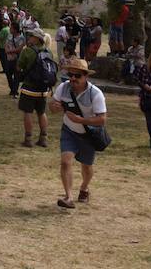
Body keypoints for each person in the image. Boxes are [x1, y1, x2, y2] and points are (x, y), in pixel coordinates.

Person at [49, 58, 107, 208]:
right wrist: (55, 106)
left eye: (78, 76)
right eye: (71, 75)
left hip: (88, 135)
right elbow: (52, 108)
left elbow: (102, 119)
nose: (73, 79)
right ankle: (68, 197)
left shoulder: (95, 94)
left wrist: (81, 120)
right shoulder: (63, 88)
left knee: (86, 167)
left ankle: (84, 188)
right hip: (69, 131)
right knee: (65, 161)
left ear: (86, 76)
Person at [17, 28, 52, 148]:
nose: (29, 37)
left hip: (29, 87)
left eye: (31, 35)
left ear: (37, 38)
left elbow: (19, 66)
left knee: (28, 112)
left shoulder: (27, 51)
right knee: (41, 112)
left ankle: (28, 139)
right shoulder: (48, 52)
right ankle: (43, 138)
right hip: (43, 89)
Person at [4, 23, 24, 99]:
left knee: (16, 75)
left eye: (11, 28)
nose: (10, 29)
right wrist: (6, 50)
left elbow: (19, 49)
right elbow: (6, 44)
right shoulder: (9, 36)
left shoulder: (21, 38)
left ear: (15, 29)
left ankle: (15, 91)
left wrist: (9, 51)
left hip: (17, 59)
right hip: (9, 58)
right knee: (8, 74)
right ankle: (12, 89)